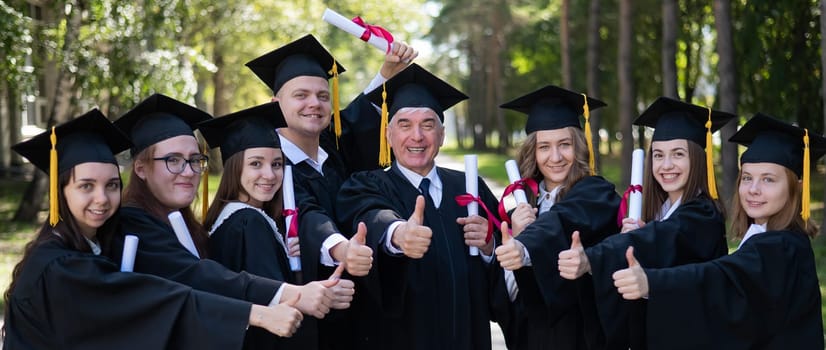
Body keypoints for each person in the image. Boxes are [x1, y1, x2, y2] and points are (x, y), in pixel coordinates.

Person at [4, 110, 302, 350]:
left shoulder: (89, 246)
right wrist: (259, 313)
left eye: (111, 185)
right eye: (86, 186)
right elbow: (158, 298)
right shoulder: (59, 266)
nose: (102, 198)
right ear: (59, 192)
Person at [110, 93, 345, 322]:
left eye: (194, 160)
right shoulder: (131, 224)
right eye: (173, 160)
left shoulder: (188, 226)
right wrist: (294, 294)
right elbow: (200, 277)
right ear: (140, 168)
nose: (189, 171)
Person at [246, 34, 415, 349]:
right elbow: (304, 213)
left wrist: (387, 73)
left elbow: (355, 121)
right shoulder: (265, 169)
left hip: (359, 314)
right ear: (275, 104)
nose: (315, 104)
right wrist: (340, 249)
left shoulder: (333, 154)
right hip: (304, 320)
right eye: (301, 95)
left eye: (323, 96)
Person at [612, 113, 825, 349]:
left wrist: (652, 282)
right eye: (747, 178)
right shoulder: (768, 238)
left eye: (768, 180)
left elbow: (719, 277)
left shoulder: (782, 247)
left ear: (796, 188)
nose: (753, 189)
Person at [336, 63, 500, 350]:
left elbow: (506, 272)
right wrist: (398, 234)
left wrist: (489, 246)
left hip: (468, 337)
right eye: (405, 125)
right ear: (387, 134)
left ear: (442, 134)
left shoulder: (471, 189)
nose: (417, 136)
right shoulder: (365, 185)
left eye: (427, 124)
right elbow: (371, 215)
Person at [557, 96, 735, 348]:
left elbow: (663, 238)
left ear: (698, 159)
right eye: (659, 155)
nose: (666, 165)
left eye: (678, 154)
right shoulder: (656, 213)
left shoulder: (703, 215)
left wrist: (593, 258)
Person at [200, 102, 357, 350]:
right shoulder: (247, 222)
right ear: (234, 167)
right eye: (255, 164)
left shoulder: (234, 217)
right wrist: (325, 295)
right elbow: (274, 304)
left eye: (276, 164)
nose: (270, 175)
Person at [492, 85, 621, 350]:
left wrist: (526, 243)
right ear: (533, 152)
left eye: (565, 145)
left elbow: (566, 218)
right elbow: (507, 296)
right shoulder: (521, 203)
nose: (555, 157)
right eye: (544, 147)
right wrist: (514, 239)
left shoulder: (596, 193)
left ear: (580, 146)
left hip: (582, 338)